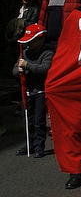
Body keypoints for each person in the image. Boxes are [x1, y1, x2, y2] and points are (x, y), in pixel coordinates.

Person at [13, 24, 53, 160]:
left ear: (41, 39)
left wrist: (27, 66)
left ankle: (39, 146)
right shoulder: (24, 52)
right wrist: (18, 70)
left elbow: (45, 69)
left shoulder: (47, 53)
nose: (30, 43)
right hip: (27, 91)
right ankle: (28, 144)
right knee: (27, 120)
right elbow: (15, 70)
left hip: (41, 92)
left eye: (33, 40)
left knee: (38, 120)